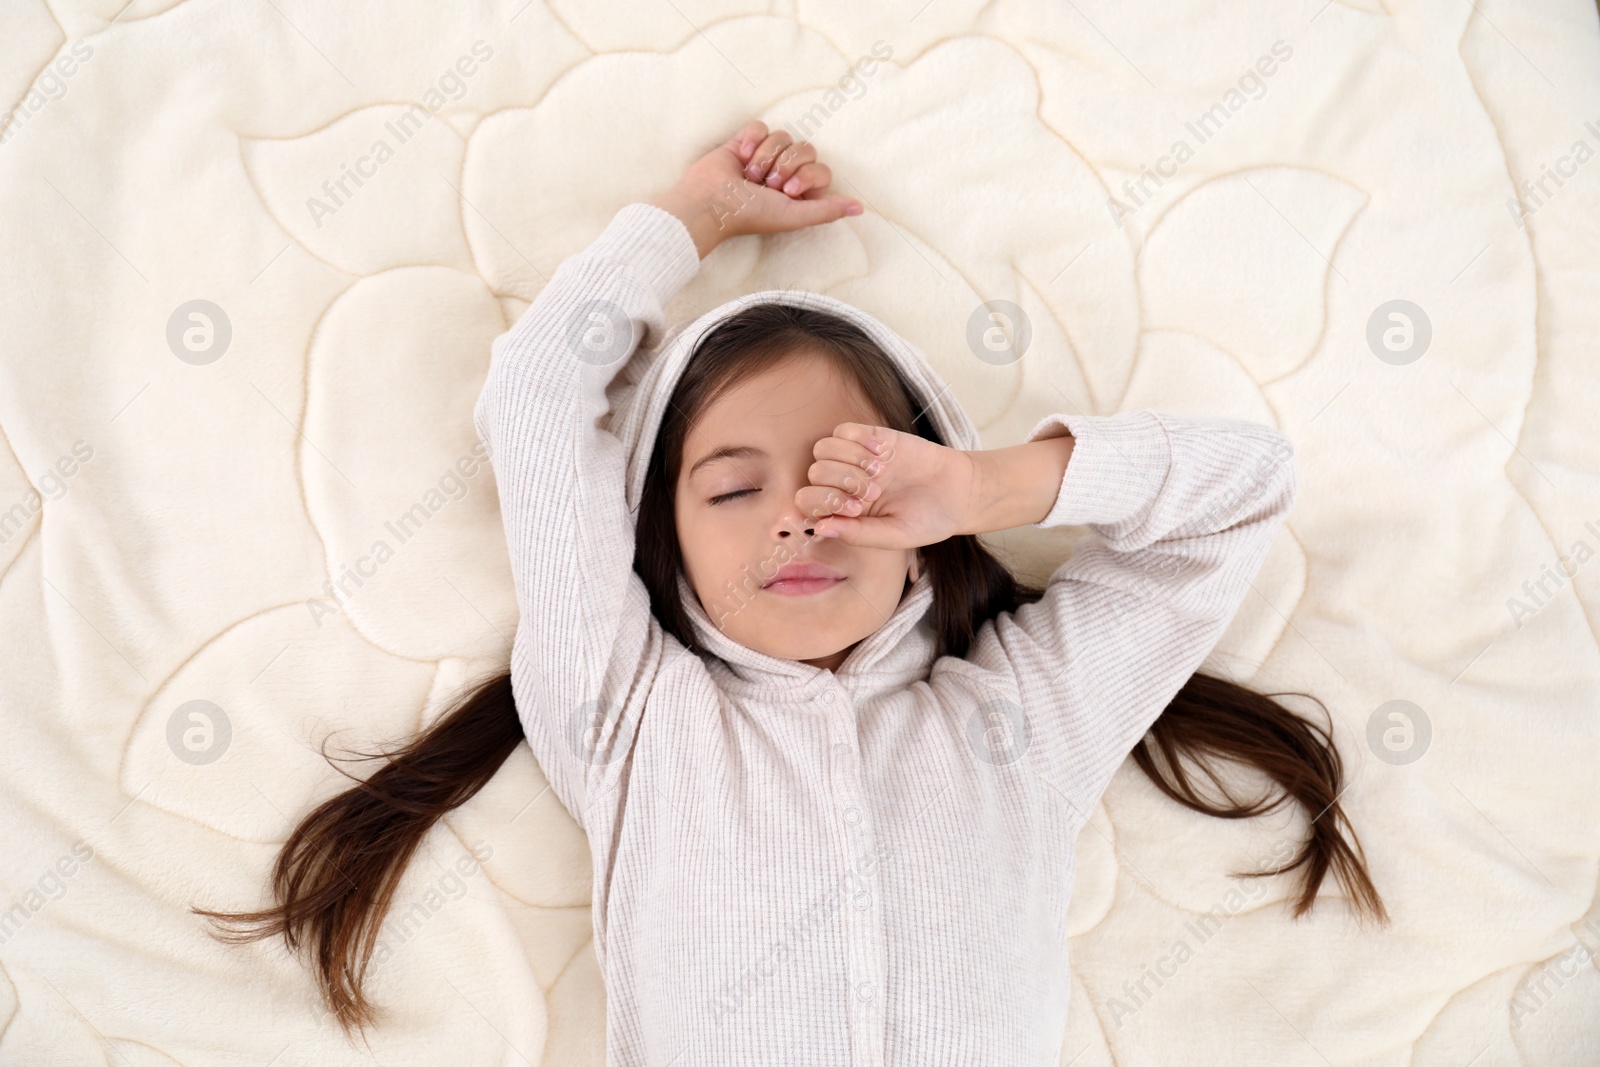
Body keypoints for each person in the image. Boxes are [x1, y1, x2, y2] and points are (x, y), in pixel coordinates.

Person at [197, 118, 1386, 1065]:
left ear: (924, 532)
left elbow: (1240, 490)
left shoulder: (1022, 721)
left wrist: (985, 485)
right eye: (730, 488)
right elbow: (535, 402)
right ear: (656, 546)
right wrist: (693, 216)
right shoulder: (625, 711)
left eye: (848, 472)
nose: (799, 514)